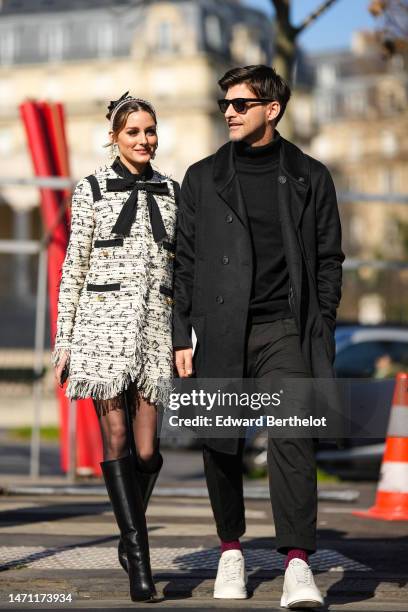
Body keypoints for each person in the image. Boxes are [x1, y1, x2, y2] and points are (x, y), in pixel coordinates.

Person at [173, 65, 344, 608]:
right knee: (222, 443)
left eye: (241, 104)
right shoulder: (201, 177)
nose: (228, 111)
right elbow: (183, 263)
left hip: (285, 330)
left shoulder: (310, 175)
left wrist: (323, 321)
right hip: (219, 328)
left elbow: (329, 258)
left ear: (271, 109)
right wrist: (182, 332)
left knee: (293, 437)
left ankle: (297, 564)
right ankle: (230, 550)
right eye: (225, 102)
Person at [53, 92, 179, 602]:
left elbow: (181, 266)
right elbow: (73, 267)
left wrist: (184, 334)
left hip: (154, 328)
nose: (144, 139)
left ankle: (130, 537)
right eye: (133, 132)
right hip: (99, 327)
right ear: (114, 137)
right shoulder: (91, 189)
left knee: (147, 452)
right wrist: (64, 341)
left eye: (150, 131)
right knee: (118, 436)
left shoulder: (173, 190)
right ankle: (140, 564)